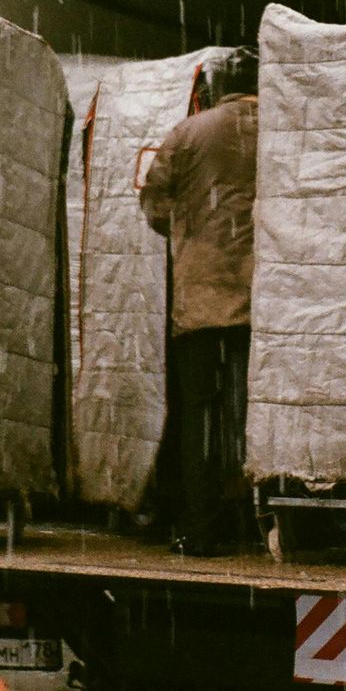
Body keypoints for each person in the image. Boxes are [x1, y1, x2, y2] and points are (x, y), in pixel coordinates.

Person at [139, 49, 259, 556]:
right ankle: (263, 521)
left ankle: (203, 529)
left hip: (203, 302)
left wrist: (190, 229)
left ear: (213, 86)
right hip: (267, 305)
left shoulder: (188, 133)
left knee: (200, 419)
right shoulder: (286, 129)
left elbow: (153, 204)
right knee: (256, 418)